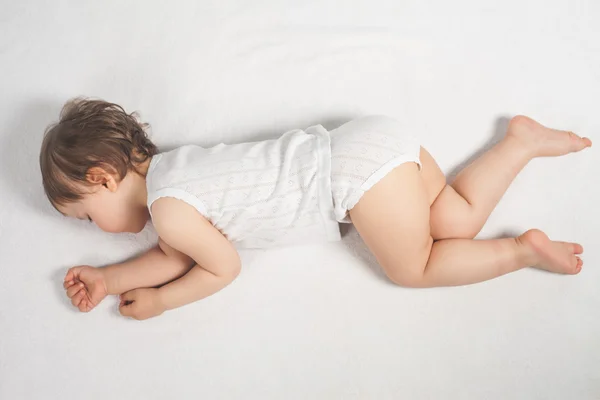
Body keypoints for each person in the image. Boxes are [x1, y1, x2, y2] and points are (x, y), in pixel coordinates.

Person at [40, 98, 592, 320]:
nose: (100, 230)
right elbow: (171, 254)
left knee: (414, 267)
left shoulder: (170, 212)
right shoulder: (177, 171)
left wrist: (163, 302)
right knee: (454, 218)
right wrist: (109, 280)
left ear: (102, 178)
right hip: (369, 141)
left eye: (88, 216)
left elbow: (219, 266)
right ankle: (520, 142)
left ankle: (520, 252)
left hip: (351, 180)